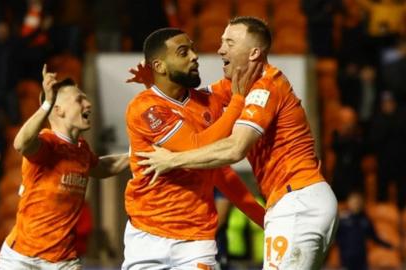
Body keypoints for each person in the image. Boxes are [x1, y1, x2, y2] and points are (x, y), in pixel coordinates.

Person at [136, 16, 338, 269]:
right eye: (221, 42)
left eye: (230, 43)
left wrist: (171, 160)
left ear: (254, 52)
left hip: (297, 199)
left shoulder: (266, 87)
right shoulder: (237, 87)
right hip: (298, 200)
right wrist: (157, 83)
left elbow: (235, 148)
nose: (221, 49)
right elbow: (193, 102)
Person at [123, 27, 265, 269]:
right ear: (159, 66)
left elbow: (222, 173)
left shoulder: (207, 100)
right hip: (147, 235)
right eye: (183, 52)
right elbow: (195, 147)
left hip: (197, 239)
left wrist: (265, 221)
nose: (194, 56)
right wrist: (237, 103)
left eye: (192, 48)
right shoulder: (144, 107)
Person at [0, 65, 129, 269]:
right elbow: (20, 144)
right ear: (57, 110)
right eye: (79, 100)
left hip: (63, 260)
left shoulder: (81, 150)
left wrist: (133, 155)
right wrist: (47, 102)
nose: (88, 103)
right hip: (22, 258)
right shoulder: (46, 143)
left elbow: (101, 167)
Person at [336, 191, 393, 270]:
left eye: (358, 202)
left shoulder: (365, 219)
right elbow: (334, 238)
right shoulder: (342, 220)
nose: (356, 204)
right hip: (346, 260)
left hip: (362, 261)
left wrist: (388, 245)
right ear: (348, 202)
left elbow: (374, 237)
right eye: (354, 202)